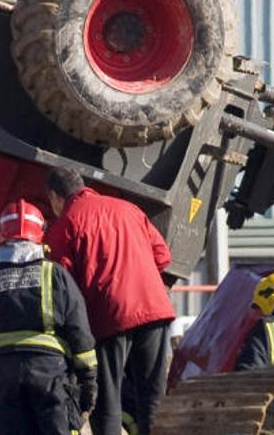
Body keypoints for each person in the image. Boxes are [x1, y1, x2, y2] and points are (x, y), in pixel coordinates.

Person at [43, 166, 175, 435]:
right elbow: (163, 256)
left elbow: (60, 285)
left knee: (107, 401)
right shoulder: (128, 209)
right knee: (154, 397)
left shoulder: (66, 224)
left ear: (56, 197)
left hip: (109, 318)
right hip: (154, 310)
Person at [0, 199, 98, 435]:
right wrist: (88, 379)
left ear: (0, 236)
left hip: (5, 376)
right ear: (40, 235)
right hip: (50, 373)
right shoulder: (55, 274)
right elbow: (78, 328)